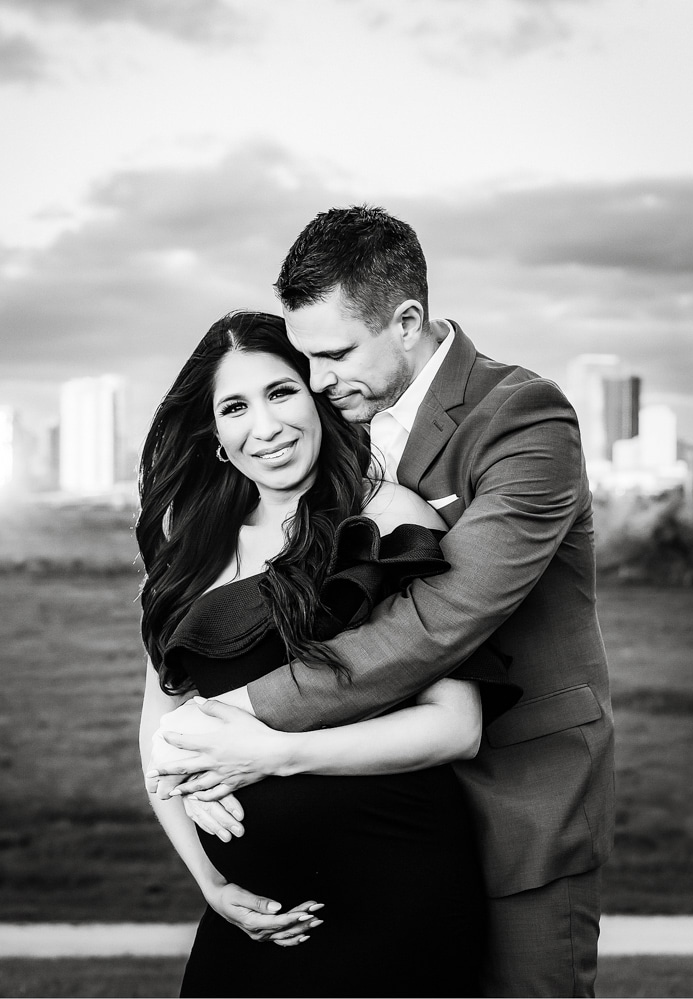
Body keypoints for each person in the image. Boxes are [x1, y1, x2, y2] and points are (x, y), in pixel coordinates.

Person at [149, 207, 616, 998]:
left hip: (519, 799)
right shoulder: (341, 423)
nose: (318, 380)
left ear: (406, 322)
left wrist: (245, 718)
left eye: (332, 355)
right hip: (383, 820)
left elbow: (445, 617)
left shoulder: (522, 418)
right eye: (308, 359)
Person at [137, 310, 521, 998]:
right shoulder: (188, 552)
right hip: (252, 916)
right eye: (235, 406)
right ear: (217, 435)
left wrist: (271, 753)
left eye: (282, 392)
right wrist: (214, 881)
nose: (267, 425)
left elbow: (456, 725)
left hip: (398, 897)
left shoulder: (390, 518)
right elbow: (159, 733)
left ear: (318, 394)